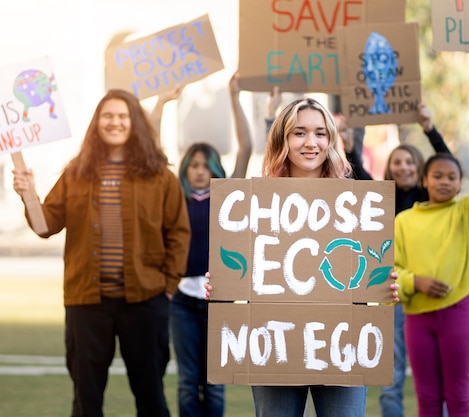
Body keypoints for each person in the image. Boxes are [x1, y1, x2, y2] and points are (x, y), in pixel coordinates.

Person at [204, 97, 400, 417]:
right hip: (274, 343)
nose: (311, 142)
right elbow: (244, 269)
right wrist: (224, 286)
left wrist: (384, 287)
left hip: (342, 344)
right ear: (283, 139)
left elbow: (369, 269)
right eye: (299, 133)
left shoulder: (357, 201)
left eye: (320, 133)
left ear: (331, 140)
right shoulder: (255, 203)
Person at [12, 89, 191, 417]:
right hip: (87, 303)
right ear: (97, 123)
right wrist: (28, 195)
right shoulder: (76, 172)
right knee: (86, 397)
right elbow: (45, 226)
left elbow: (178, 234)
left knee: (151, 396)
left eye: (123, 116)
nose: (115, 122)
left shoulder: (159, 176)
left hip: (145, 301)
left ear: (133, 122)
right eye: (108, 116)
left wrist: (166, 289)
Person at [394, 98, 469, 417]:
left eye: (452, 177)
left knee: (458, 395)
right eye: (438, 176)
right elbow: (391, 269)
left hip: (458, 311)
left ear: (459, 184)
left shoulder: (468, 213)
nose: (445, 181)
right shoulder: (403, 221)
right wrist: (415, 281)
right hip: (417, 318)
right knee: (427, 396)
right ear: (424, 181)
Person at [339, 104, 451, 417]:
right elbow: (357, 171)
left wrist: (429, 128)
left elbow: (447, 163)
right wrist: (350, 144)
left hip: (430, 292)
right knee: (391, 373)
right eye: (396, 162)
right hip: (392, 292)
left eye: (409, 162)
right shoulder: (381, 197)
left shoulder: (432, 198)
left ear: (419, 168)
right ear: (390, 168)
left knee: (433, 373)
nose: (403, 167)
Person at [167, 72, 252, 417]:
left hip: (220, 300)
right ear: (186, 169)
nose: (200, 171)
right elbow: (159, 153)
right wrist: (165, 105)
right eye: (194, 165)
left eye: (206, 165)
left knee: (215, 383)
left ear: (215, 168)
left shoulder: (227, 196)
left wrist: (234, 97)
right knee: (188, 383)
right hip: (182, 302)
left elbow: (246, 148)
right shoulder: (173, 198)